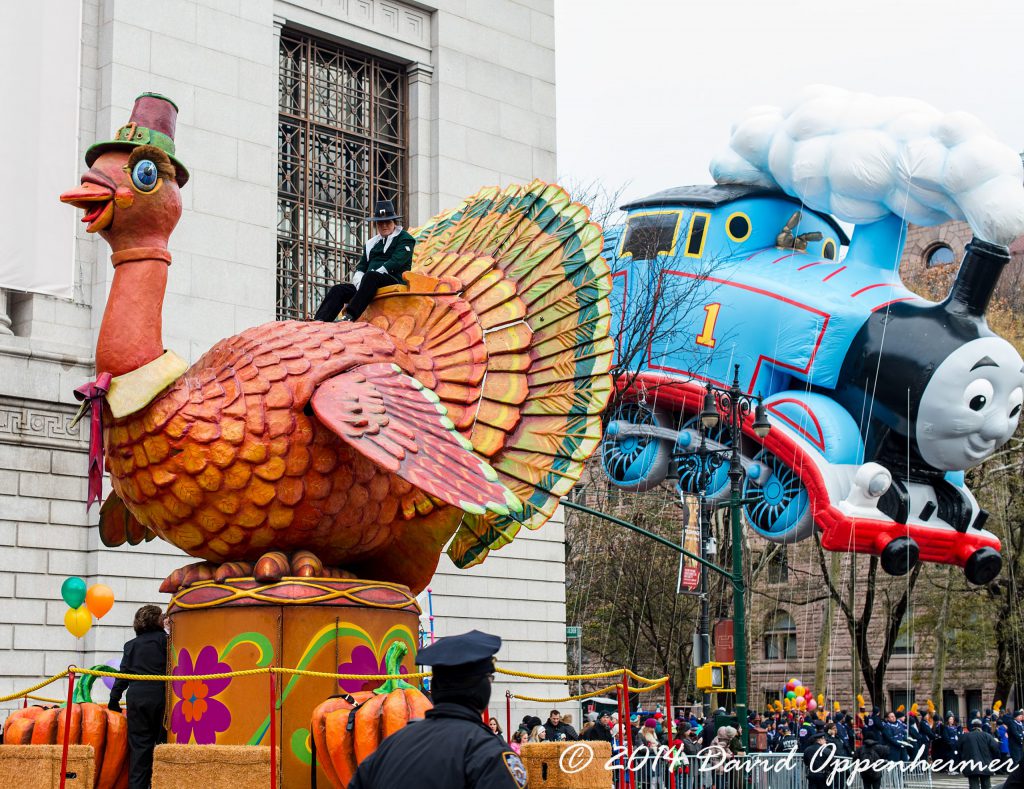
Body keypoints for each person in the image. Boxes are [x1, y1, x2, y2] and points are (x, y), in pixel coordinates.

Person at [348, 630, 527, 788]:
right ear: (480, 688)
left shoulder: (391, 745)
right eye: (488, 679)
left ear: (436, 686)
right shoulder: (489, 753)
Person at [312, 199, 416, 322]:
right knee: (338, 290)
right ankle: (320, 320)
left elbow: (397, 261)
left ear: (394, 222)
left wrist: (372, 275)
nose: (384, 226)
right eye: (380, 223)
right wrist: (359, 283)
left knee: (371, 276)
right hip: (368, 283)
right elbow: (361, 267)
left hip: (392, 280)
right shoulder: (371, 243)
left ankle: (350, 316)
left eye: (387, 222)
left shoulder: (405, 238)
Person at [108, 605, 168, 789]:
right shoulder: (165, 642)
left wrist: (114, 699)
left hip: (137, 698)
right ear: (158, 620)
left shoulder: (131, 646)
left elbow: (123, 674)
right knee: (164, 745)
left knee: (139, 750)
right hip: (161, 696)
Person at [960, 718, 1002, 789]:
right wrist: (995, 760)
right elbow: (996, 749)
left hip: (971, 764)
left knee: (973, 785)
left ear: (972, 726)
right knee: (986, 785)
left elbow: (958, 748)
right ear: (980, 726)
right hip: (985, 764)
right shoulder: (987, 736)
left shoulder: (965, 736)